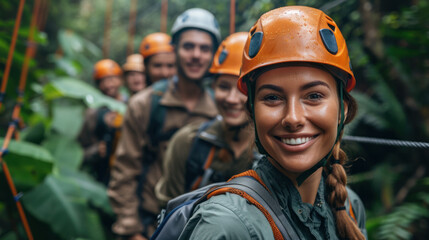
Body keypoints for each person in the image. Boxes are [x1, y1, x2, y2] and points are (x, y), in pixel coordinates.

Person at [179, 6, 367, 240]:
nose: (293, 118)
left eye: (314, 96)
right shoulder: (226, 226)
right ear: (252, 112)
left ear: (343, 109)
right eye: (272, 98)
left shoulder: (349, 207)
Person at [108, 8, 221, 240]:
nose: (196, 55)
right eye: (188, 46)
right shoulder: (145, 104)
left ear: (213, 55)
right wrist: (131, 230)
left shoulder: (221, 108)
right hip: (152, 223)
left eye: (204, 48)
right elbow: (124, 171)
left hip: (206, 226)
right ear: (175, 50)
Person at [155, 32, 259, 207]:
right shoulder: (187, 142)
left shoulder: (273, 150)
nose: (232, 99)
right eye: (224, 87)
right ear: (213, 88)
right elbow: (169, 211)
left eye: (243, 89)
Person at [78, 59, 124, 184]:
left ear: (120, 79)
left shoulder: (131, 105)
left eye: (112, 79)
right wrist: (96, 150)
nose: (108, 85)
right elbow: (80, 151)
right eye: (103, 81)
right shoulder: (92, 113)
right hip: (102, 175)